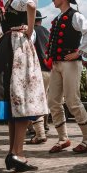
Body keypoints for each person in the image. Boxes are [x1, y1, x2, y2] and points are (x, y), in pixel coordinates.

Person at [0, 0, 48, 172]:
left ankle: (13, 152)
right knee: (23, 97)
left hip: (4, 45)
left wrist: (5, 35)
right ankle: (17, 153)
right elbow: (31, 5)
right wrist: (29, 30)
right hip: (19, 46)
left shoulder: (0, 3)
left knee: (14, 102)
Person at [45, 0, 87, 153]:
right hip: (57, 64)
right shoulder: (58, 18)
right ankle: (63, 139)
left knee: (72, 101)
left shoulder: (75, 16)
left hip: (71, 64)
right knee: (53, 101)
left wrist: (79, 53)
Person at [27, 10, 51, 144]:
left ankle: (35, 128)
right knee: (45, 98)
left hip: (37, 69)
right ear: (41, 20)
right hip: (49, 69)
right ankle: (45, 124)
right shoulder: (47, 32)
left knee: (34, 99)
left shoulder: (31, 32)